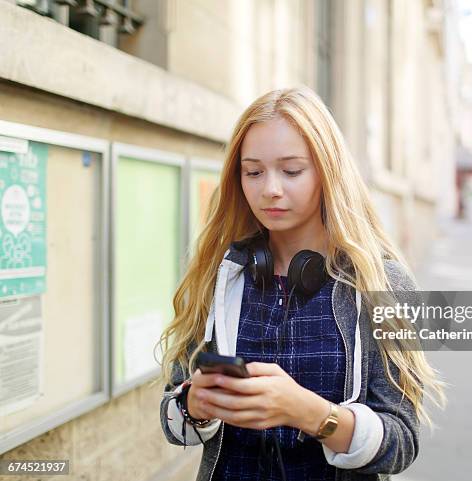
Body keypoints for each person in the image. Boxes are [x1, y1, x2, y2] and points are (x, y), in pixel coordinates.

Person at [156, 86, 446, 481]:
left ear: (327, 171)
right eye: (253, 172)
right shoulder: (221, 273)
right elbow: (175, 421)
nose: (270, 188)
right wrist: (194, 404)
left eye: (291, 171)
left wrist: (309, 413)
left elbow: (401, 443)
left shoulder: (383, 282)